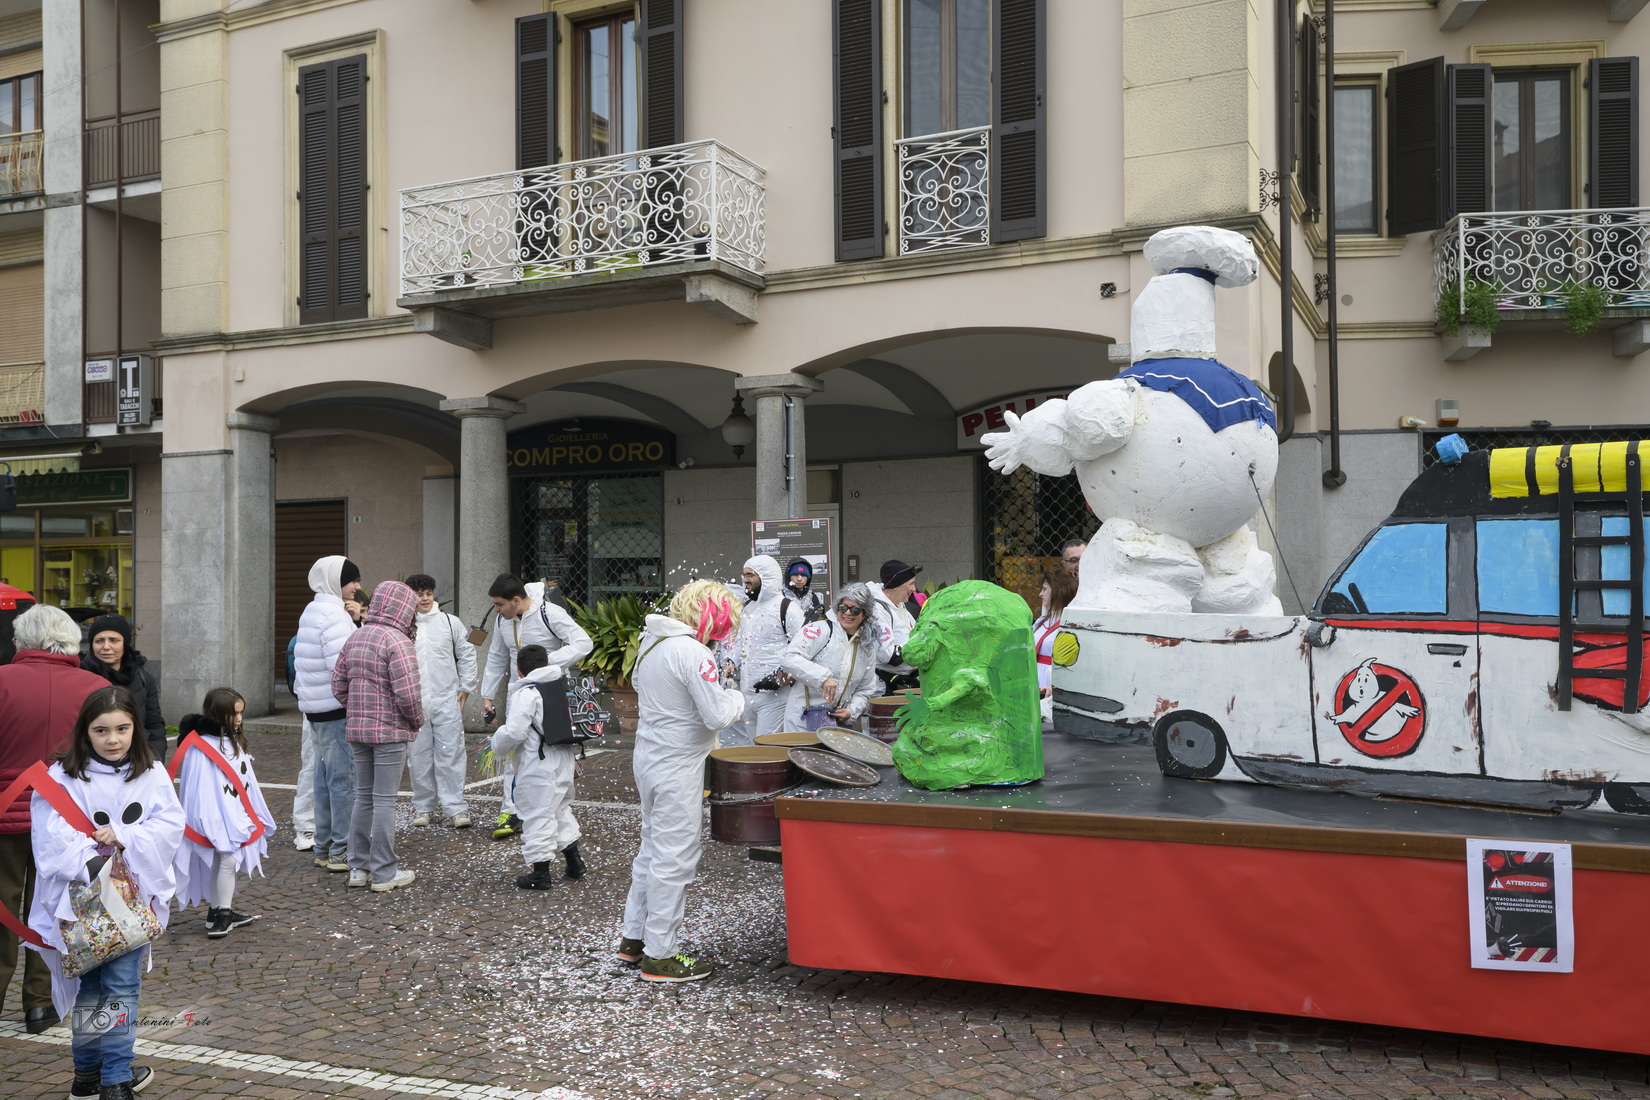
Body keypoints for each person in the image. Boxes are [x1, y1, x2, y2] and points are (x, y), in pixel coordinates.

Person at [27, 687, 184, 1100]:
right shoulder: (62, 777)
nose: (113, 739)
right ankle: (112, 1080)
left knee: (111, 988)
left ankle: (91, 1076)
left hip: (132, 899)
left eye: (122, 729)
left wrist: (125, 834)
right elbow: (51, 837)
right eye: (101, 730)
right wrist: (95, 860)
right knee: (106, 989)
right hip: (84, 903)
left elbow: (170, 825)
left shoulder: (151, 772)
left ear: (135, 728)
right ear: (85, 730)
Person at [618, 579, 745, 983]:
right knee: (675, 856)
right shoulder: (692, 651)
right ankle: (660, 954)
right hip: (678, 764)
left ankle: (634, 938)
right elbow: (717, 715)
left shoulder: (651, 643)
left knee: (651, 848)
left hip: (649, 757)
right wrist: (737, 696)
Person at [0, 605, 107, 1035]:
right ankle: (40, 1004)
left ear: (22, 641)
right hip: (68, 817)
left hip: (5, 811)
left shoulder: (2, 681)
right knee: (53, 908)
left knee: (2, 909)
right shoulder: (98, 688)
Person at [480, 574, 592, 839]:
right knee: (514, 750)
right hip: (518, 694)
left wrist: (549, 661)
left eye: (499, 604)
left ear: (515, 600)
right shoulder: (502, 619)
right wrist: (487, 696)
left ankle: (555, 810)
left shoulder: (549, 613)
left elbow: (584, 642)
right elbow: (497, 656)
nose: (495, 610)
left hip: (551, 695)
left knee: (553, 749)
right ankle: (511, 811)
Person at [331, 579, 424, 893]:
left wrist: (357, 708)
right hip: (390, 732)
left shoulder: (356, 635)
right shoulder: (398, 641)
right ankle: (384, 873)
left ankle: (358, 868)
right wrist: (416, 722)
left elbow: (337, 685)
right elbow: (409, 695)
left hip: (358, 730)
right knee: (384, 801)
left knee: (363, 797)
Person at [172, 688, 274, 938]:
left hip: (233, 812)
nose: (239, 719)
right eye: (233, 714)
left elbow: (244, 781)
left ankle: (217, 911)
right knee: (227, 859)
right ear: (218, 713)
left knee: (223, 861)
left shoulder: (231, 740)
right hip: (215, 816)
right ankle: (222, 915)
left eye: (241, 713)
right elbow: (199, 788)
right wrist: (211, 818)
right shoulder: (200, 745)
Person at [490, 644, 584, 891]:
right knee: (560, 808)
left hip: (539, 763)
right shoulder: (560, 686)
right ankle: (575, 862)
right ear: (547, 664)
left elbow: (515, 733)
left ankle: (541, 874)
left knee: (537, 813)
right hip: (565, 759)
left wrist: (496, 742)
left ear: (519, 671)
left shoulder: (527, 693)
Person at [292, 555, 363, 866]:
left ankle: (324, 846)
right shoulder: (335, 615)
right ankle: (341, 850)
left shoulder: (313, 609)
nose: (357, 587)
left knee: (323, 780)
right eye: (352, 581)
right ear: (336, 582)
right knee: (343, 781)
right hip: (336, 709)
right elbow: (344, 667)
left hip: (316, 709)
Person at [404, 575, 478, 829]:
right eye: (419, 594)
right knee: (418, 756)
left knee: (451, 753)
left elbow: (467, 653)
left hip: (447, 698)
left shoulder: (450, 622)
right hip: (415, 701)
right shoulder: (404, 625)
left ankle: (456, 807)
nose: (425, 599)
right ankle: (424, 807)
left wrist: (466, 687)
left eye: (428, 593)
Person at [779, 583, 887, 732]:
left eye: (855, 610)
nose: (847, 613)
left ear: (865, 613)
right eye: (843, 608)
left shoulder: (867, 645)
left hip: (836, 726)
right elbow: (788, 658)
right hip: (801, 722)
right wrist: (822, 677)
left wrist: (851, 711)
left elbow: (866, 689)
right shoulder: (819, 630)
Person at [79, 614, 167, 763]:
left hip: (137, 763)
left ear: (125, 644)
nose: (106, 647)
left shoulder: (143, 679)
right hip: (92, 766)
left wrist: (153, 760)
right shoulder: (82, 678)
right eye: (99, 641)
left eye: (114, 640)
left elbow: (155, 726)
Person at [730, 555, 788, 744]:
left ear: (766, 577)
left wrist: (783, 676)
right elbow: (741, 642)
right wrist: (731, 661)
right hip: (748, 694)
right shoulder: (747, 609)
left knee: (767, 747)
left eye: (750, 575)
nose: (745, 580)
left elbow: (803, 649)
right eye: (744, 575)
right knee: (753, 746)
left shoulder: (787, 608)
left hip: (775, 696)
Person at [868, 560, 923, 693]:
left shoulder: (899, 604)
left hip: (905, 682)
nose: (914, 589)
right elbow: (888, 656)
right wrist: (921, 648)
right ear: (895, 586)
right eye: (911, 584)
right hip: (885, 688)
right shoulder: (878, 610)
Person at [1034, 567, 1078, 730]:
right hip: (1034, 679)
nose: (1040, 594)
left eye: (1045, 589)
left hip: (1051, 683)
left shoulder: (1071, 624)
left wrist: (1057, 687)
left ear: (1058, 590)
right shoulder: (1041, 621)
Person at [782, 558, 827, 629]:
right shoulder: (781, 596)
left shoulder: (812, 597)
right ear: (789, 576)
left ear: (808, 577)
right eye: (795, 575)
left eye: (803, 575)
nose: (799, 579)